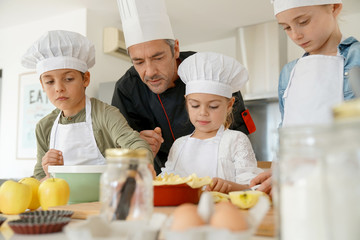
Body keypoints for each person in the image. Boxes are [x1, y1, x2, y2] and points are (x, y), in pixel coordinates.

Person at [112, 0, 254, 175]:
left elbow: (238, 138)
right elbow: (122, 152)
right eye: (138, 62)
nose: (150, 72)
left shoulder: (209, 71)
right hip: (165, 176)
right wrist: (137, 147)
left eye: (158, 58)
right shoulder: (127, 89)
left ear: (176, 49)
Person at [250, 0, 360, 194]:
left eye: (303, 21)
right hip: (298, 186)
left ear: (334, 7)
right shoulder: (289, 72)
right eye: (286, 27)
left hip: (348, 185)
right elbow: (287, 129)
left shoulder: (356, 59)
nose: (295, 35)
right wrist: (278, 167)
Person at [21, 30, 153, 181]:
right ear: (42, 86)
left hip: (102, 201)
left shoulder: (105, 114)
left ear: (85, 79)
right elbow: (39, 178)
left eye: (69, 78)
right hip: (61, 203)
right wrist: (48, 171)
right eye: (50, 82)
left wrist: (143, 165)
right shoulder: (44, 126)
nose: (58, 88)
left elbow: (134, 143)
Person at [160, 52, 263, 194]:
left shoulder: (235, 140)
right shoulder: (179, 145)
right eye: (195, 105)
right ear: (186, 102)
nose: (203, 113)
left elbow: (253, 186)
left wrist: (229, 186)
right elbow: (165, 180)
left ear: (229, 105)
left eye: (213, 106)